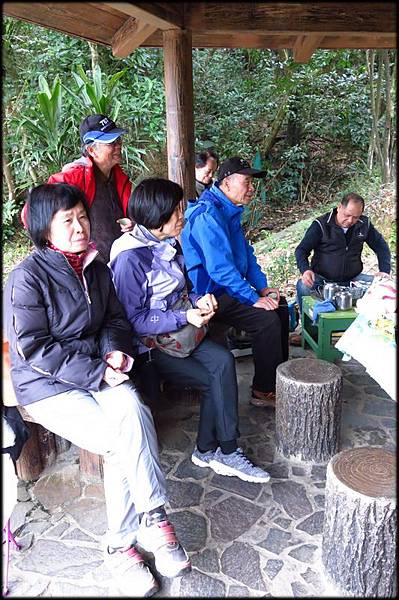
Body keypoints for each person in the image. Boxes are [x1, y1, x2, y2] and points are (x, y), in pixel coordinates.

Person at [5, 183, 190, 597]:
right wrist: (97, 372)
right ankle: (126, 541)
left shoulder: (96, 267)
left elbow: (115, 321)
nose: (79, 227)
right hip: (47, 386)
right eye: (67, 221)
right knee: (119, 442)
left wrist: (115, 354)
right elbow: (34, 350)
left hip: (97, 369)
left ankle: (151, 519)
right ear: (44, 230)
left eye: (83, 217)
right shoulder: (26, 279)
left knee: (132, 408)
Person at [109, 177, 271, 484]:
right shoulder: (130, 257)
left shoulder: (169, 242)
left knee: (222, 361)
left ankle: (211, 449)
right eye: (176, 210)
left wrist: (200, 300)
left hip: (178, 334)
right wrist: (185, 315)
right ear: (157, 217)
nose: (183, 215)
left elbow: (185, 289)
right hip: (149, 346)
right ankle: (221, 449)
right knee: (214, 378)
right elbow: (133, 319)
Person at [181, 156, 289, 409]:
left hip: (227, 289)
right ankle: (263, 391)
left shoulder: (229, 210)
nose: (252, 188)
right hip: (209, 296)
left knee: (280, 306)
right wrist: (253, 299)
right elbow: (219, 271)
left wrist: (263, 288)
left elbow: (245, 255)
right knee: (267, 321)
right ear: (227, 184)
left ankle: (280, 381)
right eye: (247, 182)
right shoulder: (208, 215)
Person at [21, 114, 133, 263]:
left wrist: (132, 222)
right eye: (110, 142)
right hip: (90, 265)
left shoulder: (119, 176)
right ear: (92, 150)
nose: (118, 145)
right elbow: (30, 212)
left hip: (120, 260)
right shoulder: (74, 177)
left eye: (118, 140)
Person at [290, 192, 391, 344]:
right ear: (339, 208)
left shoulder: (364, 225)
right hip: (322, 279)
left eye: (356, 217)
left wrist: (384, 271)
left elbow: (381, 247)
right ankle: (309, 332)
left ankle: (367, 332)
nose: (350, 221)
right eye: (347, 215)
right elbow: (301, 250)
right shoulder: (321, 225)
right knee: (303, 285)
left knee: (384, 286)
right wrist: (306, 270)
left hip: (353, 279)